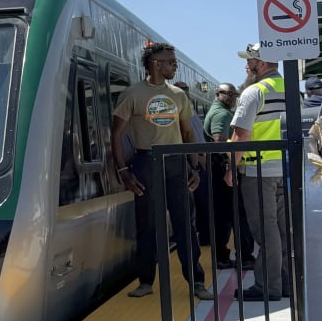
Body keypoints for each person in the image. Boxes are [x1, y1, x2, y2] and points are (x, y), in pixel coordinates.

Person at [111, 42, 214, 300]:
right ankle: (146, 281)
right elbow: (115, 134)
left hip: (176, 163)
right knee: (147, 225)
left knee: (185, 225)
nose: (174, 66)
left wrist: (193, 166)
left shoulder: (179, 96)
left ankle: (197, 282)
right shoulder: (132, 95)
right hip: (146, 162)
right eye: (170, 62)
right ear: (155, 64)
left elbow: (188, 133)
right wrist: (123, 170)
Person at [228, 43, 290, 301]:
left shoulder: (255, 91)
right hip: (283, 169)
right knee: (281, 230)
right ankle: (284, 283)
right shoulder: (289, 90)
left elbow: (241, 135)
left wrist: (231, 168)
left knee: (265, 232)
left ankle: (267, 287)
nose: (246, 65)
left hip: (258, 169)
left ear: (261, 63)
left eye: (250, 60)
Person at [203, 83, 255, 270]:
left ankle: (224, 256)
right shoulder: (222, 114)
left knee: (224, 214)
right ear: (218, 94)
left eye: (234, 94)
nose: (232, 97)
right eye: (228, 94)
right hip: (224, 169)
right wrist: (230, 168)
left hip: (219, 169)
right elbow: (219, 141)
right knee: (235, 214)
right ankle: (242, 256)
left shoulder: (217, 111)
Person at [175, 81, 211, 246]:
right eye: (181, 91)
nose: (185, 93)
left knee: (204, 203)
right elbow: (184, 137)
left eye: (186, 90)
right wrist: (197, 158)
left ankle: (205, 237)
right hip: (191, 163)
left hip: (200, 161)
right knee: (198, 203)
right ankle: (202, 239)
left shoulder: (192, 111)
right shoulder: (177, 112)